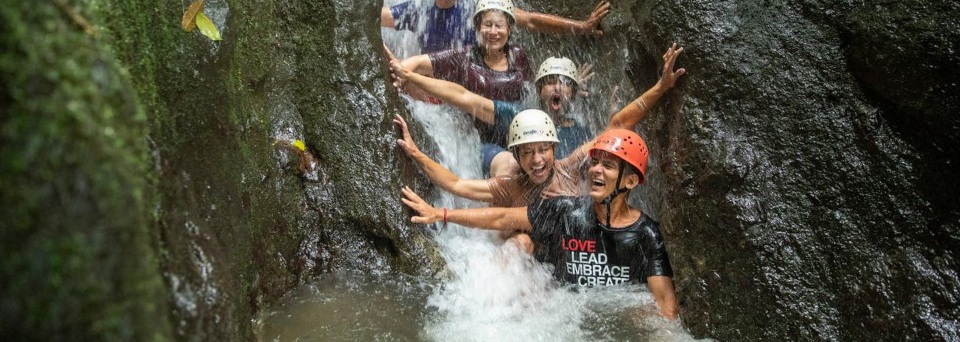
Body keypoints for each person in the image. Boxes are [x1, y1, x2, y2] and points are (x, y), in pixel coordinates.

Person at [400, 129, 679, 319]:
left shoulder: (646, 234)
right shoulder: (563, 211)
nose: (595, 169)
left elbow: (665, 308)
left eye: (608, 166)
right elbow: (502, 217)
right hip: (557, 311)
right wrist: (442, 214)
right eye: (595, 162)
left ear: (630, 181)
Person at [389, 54, 592, 177]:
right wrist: (411, 76)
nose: (557, 87)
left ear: (573, 93)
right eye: (550, 82)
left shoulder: (583, 133)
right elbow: (465, 97)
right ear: (539, 90)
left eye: (564, 83)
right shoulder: (518, 115)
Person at [396, 0, 532, 103]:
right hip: (477, 135)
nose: (493, 32)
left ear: (509, 29)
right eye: (487, 25)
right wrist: (399, 75)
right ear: (478, 28)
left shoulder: (518, 55)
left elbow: (531, 93)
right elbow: (418, 62)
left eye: (499, 25)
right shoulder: (464, 57)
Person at [381, 0, 611, 54]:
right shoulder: (417, 9)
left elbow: (529, 20)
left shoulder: (479, 4)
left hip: (474, 84)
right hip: (431, 88)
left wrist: (581, 26)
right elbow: (377, 17)